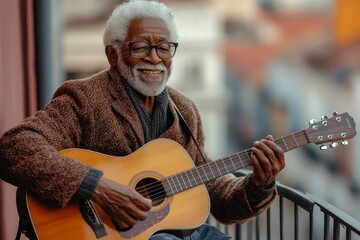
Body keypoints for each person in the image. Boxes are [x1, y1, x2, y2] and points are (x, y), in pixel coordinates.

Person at [0, 0, 285, 239]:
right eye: (140, 47)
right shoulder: (84, 99)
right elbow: (14, 147)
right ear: (114, 55)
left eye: (163, 47)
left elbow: (212, 191)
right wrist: (97, 187)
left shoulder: (185, 110)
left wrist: (258, 185)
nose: (154, 58)